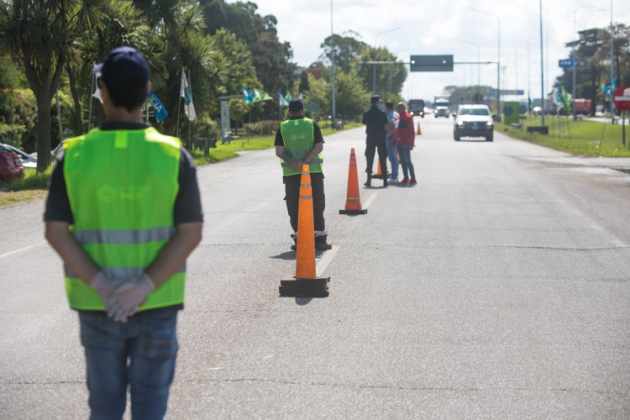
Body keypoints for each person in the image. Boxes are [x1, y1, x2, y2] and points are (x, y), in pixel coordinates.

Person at [44, 46, 203, 420]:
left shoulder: (74, 155)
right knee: (151, 409)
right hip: (157, 304)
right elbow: (190, 232)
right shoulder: (173, 155)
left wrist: (102, 285)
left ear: (102, 91)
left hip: (99, 306)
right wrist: (143, 288)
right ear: (146, 90)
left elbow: (56, 232)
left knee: (104, 408)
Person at [275, 100, 331, 251]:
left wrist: (294, 163)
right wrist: (306, 161)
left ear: (289, 111)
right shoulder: (311, 124)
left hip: (292, 173)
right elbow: (319, 146)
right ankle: (319, 240)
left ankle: (300, 239)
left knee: (294, 206)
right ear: (302, 110)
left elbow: (279, 151)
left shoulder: (283, 127)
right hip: (313, 171)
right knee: (317, 204)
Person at [362, 95, 389, 188]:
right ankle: (385, 180)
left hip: (370, 138)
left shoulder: (367, 113)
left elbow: (364, 122)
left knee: (369, 159)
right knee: (383, 159)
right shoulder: (383, 113)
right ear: (377, 102)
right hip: (381, 138)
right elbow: (386, 125)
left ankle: (368, 180)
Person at [396, 101, 417, 186]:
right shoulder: (399, 117)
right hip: (400, 142)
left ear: (403, 108)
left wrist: (412, 143)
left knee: (408, 161)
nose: (397, 109)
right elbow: (397, 130)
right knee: (403, 161)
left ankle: (413, 178)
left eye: (399, 108)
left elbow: (412, 132)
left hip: (406, 142)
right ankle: (406, 178)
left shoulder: (407, 117)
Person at [385, 101, 399, 183]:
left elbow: (392, 124)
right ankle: (394, 174)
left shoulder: (389, 115)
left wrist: (389, 134)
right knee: (394, 158)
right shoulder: (396, 114)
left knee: (392, 158)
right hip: (396, 137)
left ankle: (394, 177)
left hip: (390, 138)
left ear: (387, 107)